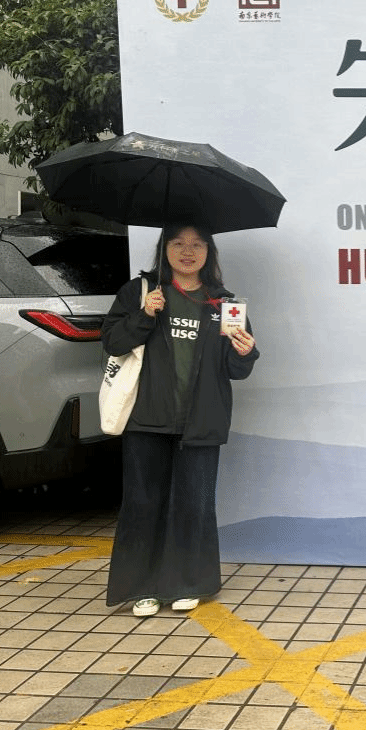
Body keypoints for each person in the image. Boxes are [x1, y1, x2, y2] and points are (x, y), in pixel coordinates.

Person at [100, 222, 259, 617]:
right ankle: (144, 587)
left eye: (197, 245)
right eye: (178, 243)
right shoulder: (140, 292)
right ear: (164, 248)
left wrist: (245, 352)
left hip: (202, 421)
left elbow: (235, 370)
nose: (188, 252)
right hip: (146, 419)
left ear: (209, 252)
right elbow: (113, 342)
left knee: (195, 505)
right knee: (143, 503)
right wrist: (144, 315)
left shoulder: (224, 304)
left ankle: (189, 583)